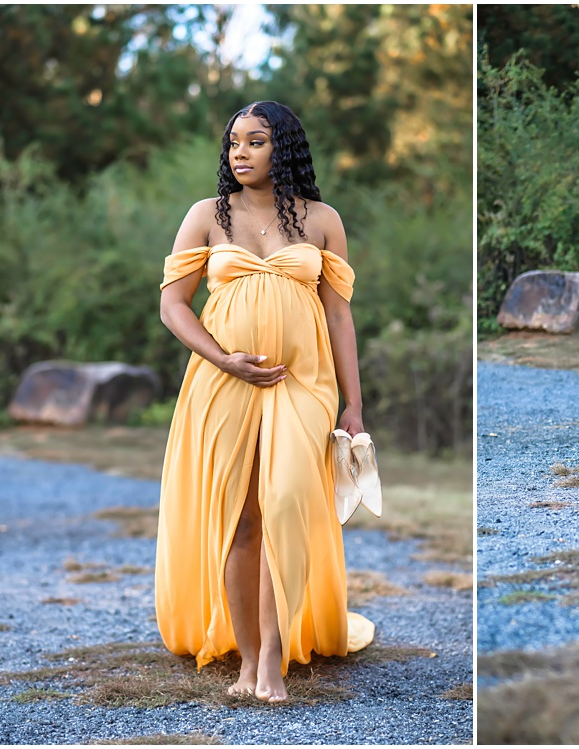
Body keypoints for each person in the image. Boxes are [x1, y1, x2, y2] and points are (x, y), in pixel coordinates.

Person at [155, 101, 374, 703]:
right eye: (233, 145)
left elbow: (338, 314)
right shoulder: (206, 216)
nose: (240, 154)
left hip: (303, 381)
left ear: (285, 148)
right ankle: (248, 661)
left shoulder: (323, 220)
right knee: (240, 516)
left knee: (284, 502)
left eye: (254, 142)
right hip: (223, 381)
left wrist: (353, 405)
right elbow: (174, 304)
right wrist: (222, 357)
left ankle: (275, 659)